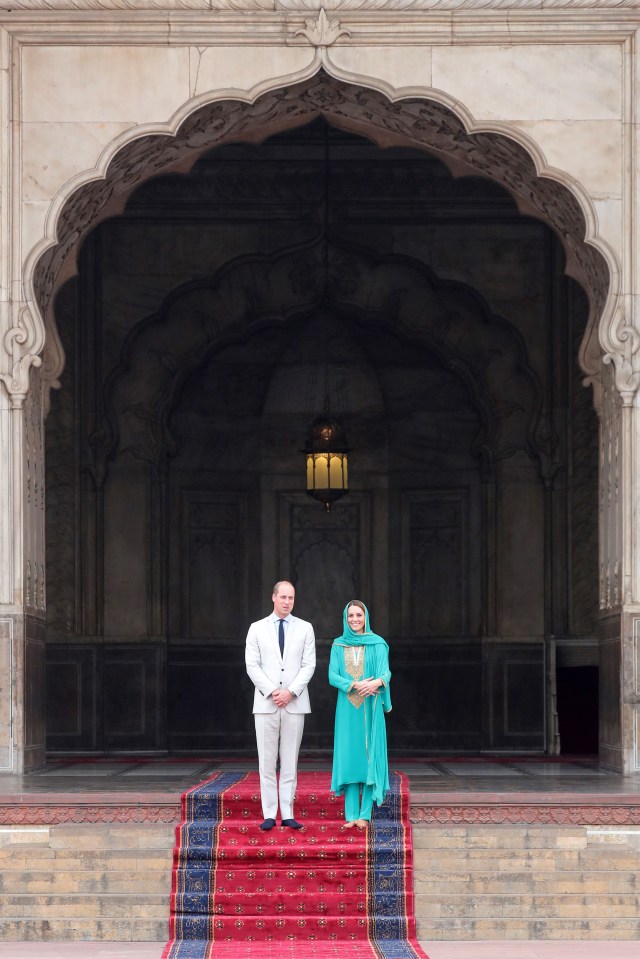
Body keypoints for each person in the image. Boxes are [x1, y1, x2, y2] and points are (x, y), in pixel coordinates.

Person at [245, 580, 316, 831]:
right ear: (273, 597)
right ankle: (268, 814)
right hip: (266, 704)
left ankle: (287, 812)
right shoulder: (256, 628)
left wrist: (291, 692)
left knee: (289, 761)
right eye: (283, 597)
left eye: (291, 598)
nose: (287, 602)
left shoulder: (305, 628)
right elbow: (252, 665)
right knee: (266, 762)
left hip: (294, 704)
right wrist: (274, 691)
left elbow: (309, 665)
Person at [329, 600, 391, 827]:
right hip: (347, 709)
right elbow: (332, 677)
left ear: (366, 617)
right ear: (345, 619)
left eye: (359, 615)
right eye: (350, 616)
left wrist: (375, 683)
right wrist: (356, 685)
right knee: (350, 758)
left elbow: (386, 673)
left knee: (368, 757)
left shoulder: (378, 644)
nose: (355, 620)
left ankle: (364, 815)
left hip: (370, 707)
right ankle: (351, 816)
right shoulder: (338, 645)